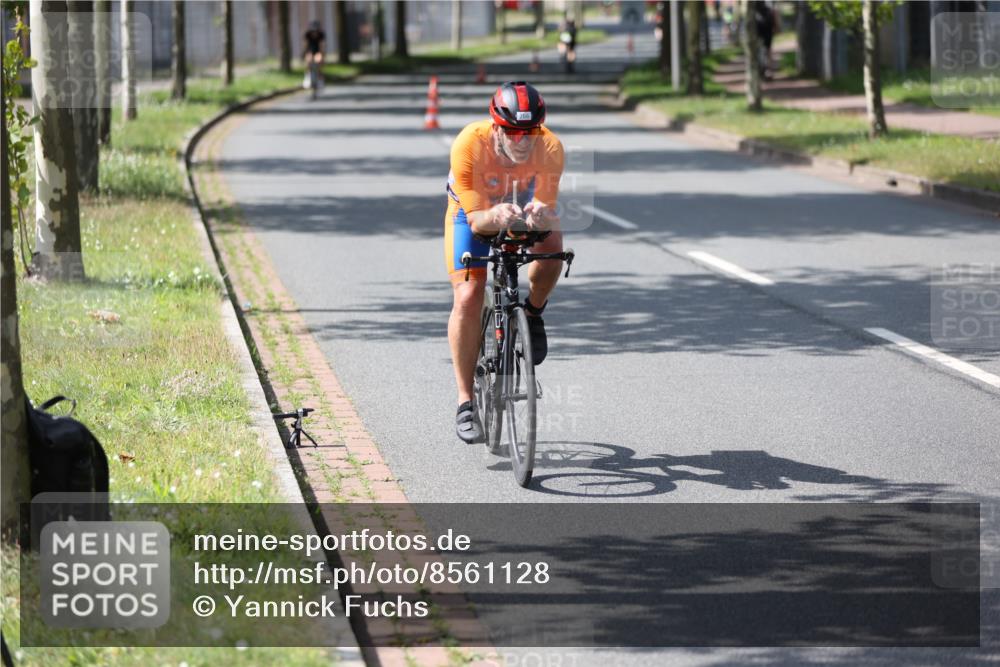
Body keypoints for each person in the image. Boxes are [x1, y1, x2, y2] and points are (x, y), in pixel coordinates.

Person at [444, 82, 565, 443]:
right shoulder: (469, 144)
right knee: (468, 294)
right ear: (496, 127)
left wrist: (540, 216)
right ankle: (466, 402)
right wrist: (495, 214)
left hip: (521, 199)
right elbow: (479, 221)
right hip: (472, 211)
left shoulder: (550, 148)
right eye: (512, 131)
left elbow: (545, 209)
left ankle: (532, 313)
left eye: (529, 131)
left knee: (553, 246)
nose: (521, 139)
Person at [303, 20, 326, 91]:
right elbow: (305, 45)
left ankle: (319, 77)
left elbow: (322, 46)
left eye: (316, 31)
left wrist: (323, 56)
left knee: (318, 60)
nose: (314, 33)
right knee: (308, 60)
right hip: (310, 51)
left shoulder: (321, 35)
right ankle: (307, 76)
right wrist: (304, 53)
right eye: (313, 31)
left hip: (317, 51)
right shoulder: (307, 35)